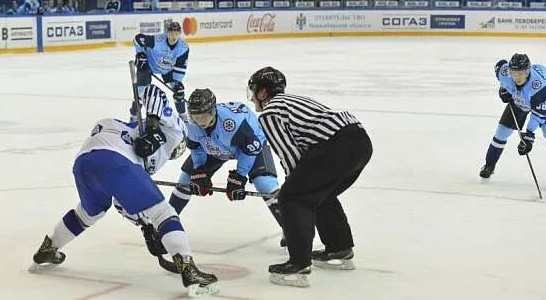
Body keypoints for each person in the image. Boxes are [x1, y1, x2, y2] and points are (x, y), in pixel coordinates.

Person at [30, 85, 219, 297]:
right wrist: (154, 128)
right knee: (164, 213)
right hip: (117, 163)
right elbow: (152, 92)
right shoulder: (176, 131)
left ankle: (49, 247)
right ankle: (188, 268)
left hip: (84, 164)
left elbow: (124, 201)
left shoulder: (110, 125)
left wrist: (146, 227)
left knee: (88, 212)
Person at [247, 66, 372, 287]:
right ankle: (339, 248)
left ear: (263, 92)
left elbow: (290, 154)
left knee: (294, 198)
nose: (253, 97)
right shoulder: (292, 101)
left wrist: (290, 187)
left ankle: (298, 264)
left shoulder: (270, 113)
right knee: (320, 194)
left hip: (336, 147)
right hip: (360, 142)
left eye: (255, 91)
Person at [168, 88, 285, 244]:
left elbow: (251, 149)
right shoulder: (192, 125)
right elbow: (196, 148)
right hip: (216, 146)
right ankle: (165, 225)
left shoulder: (233, 124)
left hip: (249, 146)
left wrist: (240, 176)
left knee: (265, 184)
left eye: (203, 116)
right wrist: (199, 169)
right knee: (185, 181)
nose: (199, 121)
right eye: (195, 117)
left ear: (213, 111)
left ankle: (290, 229)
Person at [480, 54, 546, 184]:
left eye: (521, 73)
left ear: (528, 71)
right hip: (520, 100)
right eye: (514, 73)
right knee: (502, 131)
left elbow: (537, 114)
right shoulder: (505, 74)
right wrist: (504, 88)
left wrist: (529, 136)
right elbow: (500, 64)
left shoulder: (540, 87)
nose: (517, 77)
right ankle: (489, 165)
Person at [132, 21, 189, 121]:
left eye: (176, 33)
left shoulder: (183, 48)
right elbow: (137, 39)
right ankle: (133, 117)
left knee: (179, 92)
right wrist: (140, 54)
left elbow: (180, 67)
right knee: (140, 93)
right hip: (148, 66)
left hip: (167, 70)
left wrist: (177, 82)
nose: (173, 36)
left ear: (180, 34)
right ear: (167, 33)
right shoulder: (157, 41)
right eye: (171, 33)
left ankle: (184, 118)